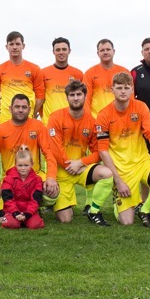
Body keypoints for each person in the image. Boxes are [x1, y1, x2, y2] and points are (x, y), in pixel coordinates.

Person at [94, 72, 150, 228]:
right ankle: (121, 203)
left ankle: (144, 210)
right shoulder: (103, 114)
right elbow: (103, 150)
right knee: (126, 221)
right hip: (121, 170)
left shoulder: (141, 107)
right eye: (119, 88)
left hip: (142, 163)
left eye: (126, 88)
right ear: (112, 89)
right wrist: (117, 181)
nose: (123, 91)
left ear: (132, 90)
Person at [47, 80, 112, 224]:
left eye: (79, 94)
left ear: (85, 96)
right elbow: (55, 148)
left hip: (81, 168)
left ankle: (93, 210)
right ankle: (56, 201)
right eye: (72, 95)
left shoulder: (92, 121)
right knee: (66, 219)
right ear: (67, 98)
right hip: (61, 172)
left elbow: (98, 152)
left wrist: (81, 162)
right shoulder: (55, 117)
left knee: (106, 173)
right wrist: (69, 165)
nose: (75, 98)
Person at [0, 94, 59, 221]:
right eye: (17, 107)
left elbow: (49, 154)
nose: (20, 110)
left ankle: (33, 206)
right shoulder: (0, 130)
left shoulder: (38, 127)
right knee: (1, 219)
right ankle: (24, 208)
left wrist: (51, 177)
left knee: (52, 193)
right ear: (10, 109)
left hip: (34, 176)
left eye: (24, 107)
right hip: (11, 180)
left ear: (29, 109)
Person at [0, 31, 45, 124]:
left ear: (23, 46)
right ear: (7, 47)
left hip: (28, 120)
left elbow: (40, 97)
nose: (14, 47)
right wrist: (3, 112)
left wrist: (30, 112)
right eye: (11, 44)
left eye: (17, 44)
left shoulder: (34, 69)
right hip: (5, 120)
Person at [41, 37, 84, 126]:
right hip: (49, 123)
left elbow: (83, 99)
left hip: (72, 123)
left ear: (69, 51)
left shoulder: (78, 74)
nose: (61, 52)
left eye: (64, 49)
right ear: (53, 52)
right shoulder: (43, 73)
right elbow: (39, 98)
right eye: (58, 50)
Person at [83, 39, 129, 118]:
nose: (105, 52)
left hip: (120, 119)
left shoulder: (124, 71)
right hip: (97, 119)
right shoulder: (89, 73)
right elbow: (86, 99)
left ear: (113, 51)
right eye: (102, 50)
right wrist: (88, 118)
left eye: (108, 49)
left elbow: (130, 97)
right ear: (98, 53)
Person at [1, 150, 45, 230]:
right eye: (20, 165)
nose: (23, 168)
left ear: (32, 164)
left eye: (26, 165)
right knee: (10, 224)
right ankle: (14, 219)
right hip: (12, 210)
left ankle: (30, 218)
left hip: (29, 210)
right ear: (15, 164)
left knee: (36, 225)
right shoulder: (8, 179)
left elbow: (35, 199)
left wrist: (28, 214)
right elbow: (8, 199)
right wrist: (15, 213)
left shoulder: (37, 180)